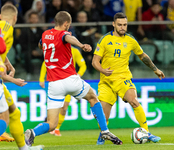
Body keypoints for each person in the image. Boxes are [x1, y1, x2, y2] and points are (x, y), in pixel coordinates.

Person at [25, 11, 122, 146]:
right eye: (68, 25)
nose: (68, 28)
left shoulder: (45, 34)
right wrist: (81, 45)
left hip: (54, 85)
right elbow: (68, 38)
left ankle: (33, 132)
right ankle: (104, 130)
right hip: (69, 79)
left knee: (52, 123)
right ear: (66, 24)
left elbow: (41, 44)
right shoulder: (65, 34)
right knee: (93, 97)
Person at [92, 12, 165, 145]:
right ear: (113, 24)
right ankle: (103, 134)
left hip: (123, 79)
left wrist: (155, 69)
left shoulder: (130, 40)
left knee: (134, 101)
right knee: (103, 116)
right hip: (106, 82)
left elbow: (142, 55)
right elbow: (95, 61)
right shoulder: (105, 40)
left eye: (125, 25)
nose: (122, 27)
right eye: (119, 25)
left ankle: (146, 132)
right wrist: (102, 70)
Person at [0, 4, 44, 150]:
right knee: (4, 116)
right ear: (15, 17)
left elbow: (1, 51)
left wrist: (9, 64)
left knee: (14, 112)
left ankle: (24, 148)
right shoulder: (6, 28)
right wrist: (12, 79)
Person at [39, 46, 87, 136]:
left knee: (64, 108)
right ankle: (51, 125)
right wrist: (42, 78)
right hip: (56, 81)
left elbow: (83, 65)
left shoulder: (75, 51)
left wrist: (79, 75)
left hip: (69, 81)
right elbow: (45, 63)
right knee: (55, 107)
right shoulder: (56, 49)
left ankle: (57, 128)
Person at [19, 11, 44, 80]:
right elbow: (22, 43)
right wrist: (32, 51)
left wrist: (40, 51)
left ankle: (47, 74)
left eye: (36, 18)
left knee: (48, 55)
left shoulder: (41, 31)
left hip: (39, 51)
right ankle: (29, 74)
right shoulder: (25, 30)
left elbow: (44, 42)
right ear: (29, 19)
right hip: (28, 51)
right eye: (32, 18)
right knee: (27, 55)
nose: (34, 20)